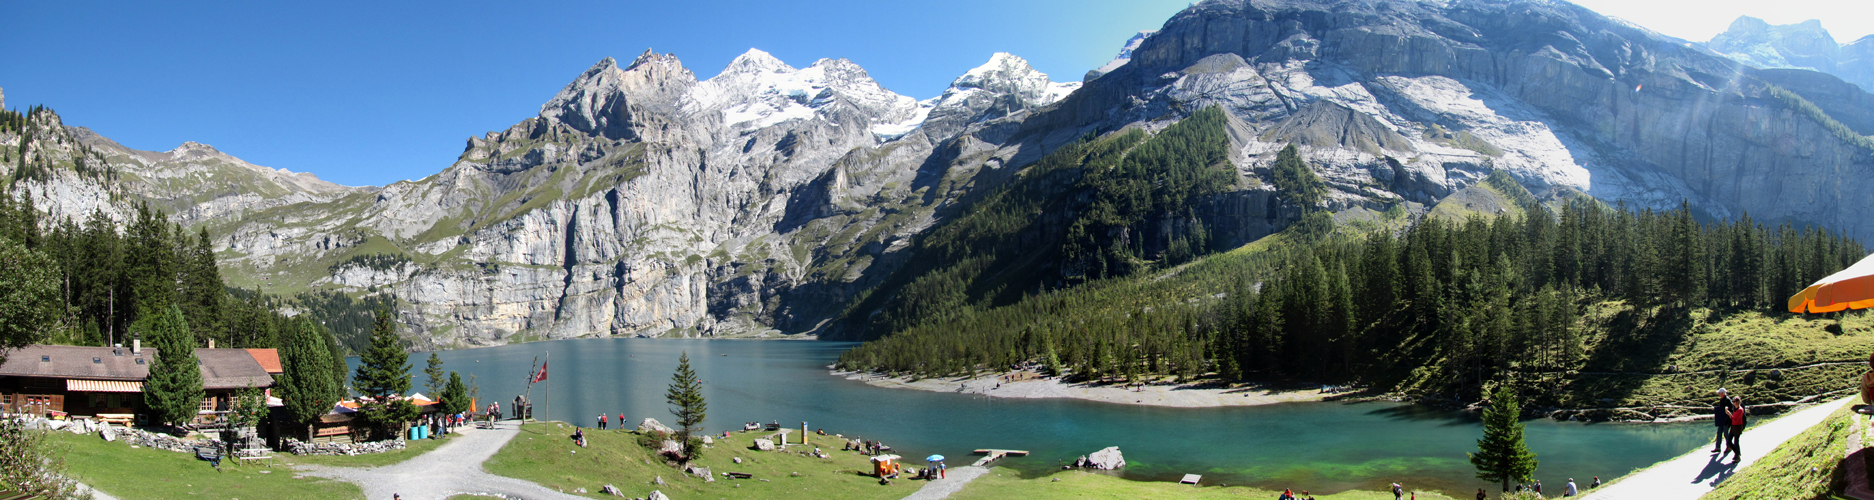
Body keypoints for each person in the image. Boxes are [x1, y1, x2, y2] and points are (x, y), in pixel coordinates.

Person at [1726, 394, 1747, 462]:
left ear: (1737, 402)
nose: (1733, 403)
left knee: (1736, 441)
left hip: (1738, 426)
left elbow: (1735, 419)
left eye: (1734, 401)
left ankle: (1737, 456)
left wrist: (1729, 413)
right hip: (1733, 426)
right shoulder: (1735, 409)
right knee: (1729, 441)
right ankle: (1737, 453)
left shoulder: (1740, 410)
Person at [1712, 387, 1731, 454]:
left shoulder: (1727, 400)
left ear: (1722, 393)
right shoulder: (1722, 400)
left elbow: (1731, 409)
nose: (1718, 394)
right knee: (1719, 433)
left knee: (1726, 434)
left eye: (1719, 393)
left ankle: (1729, 446)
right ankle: (1718, 447)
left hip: (1726, 420)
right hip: (1721, 420)